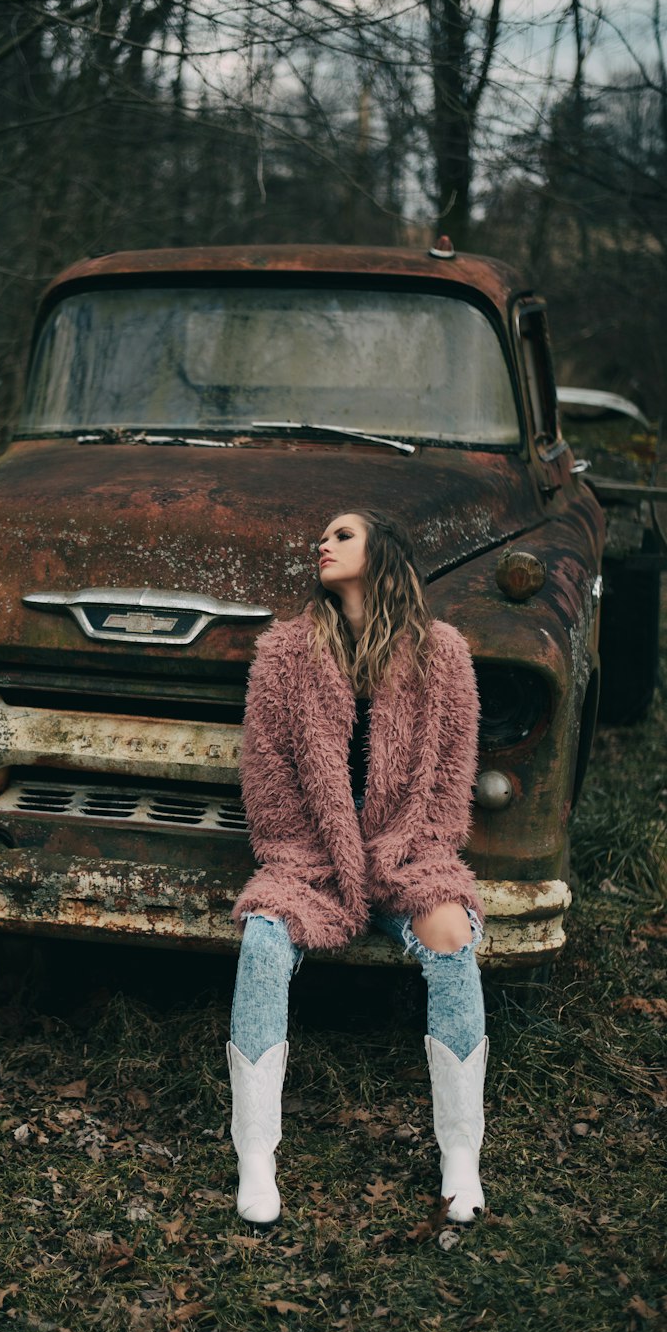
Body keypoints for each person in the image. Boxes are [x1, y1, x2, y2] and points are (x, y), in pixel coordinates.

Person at [227, 508, 487, 1227]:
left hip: (410, 851)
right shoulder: (285, 655)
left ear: (384, 551)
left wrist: (406, 852)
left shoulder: (442, 656)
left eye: (342, 534)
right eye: (322, 536)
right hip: (310, 858)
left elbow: (447, 785)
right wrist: (310, 858)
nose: (324, 543)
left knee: (452, 932)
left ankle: (460, 1156)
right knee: (261, 936)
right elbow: (269, 781)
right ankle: (256, 1154)